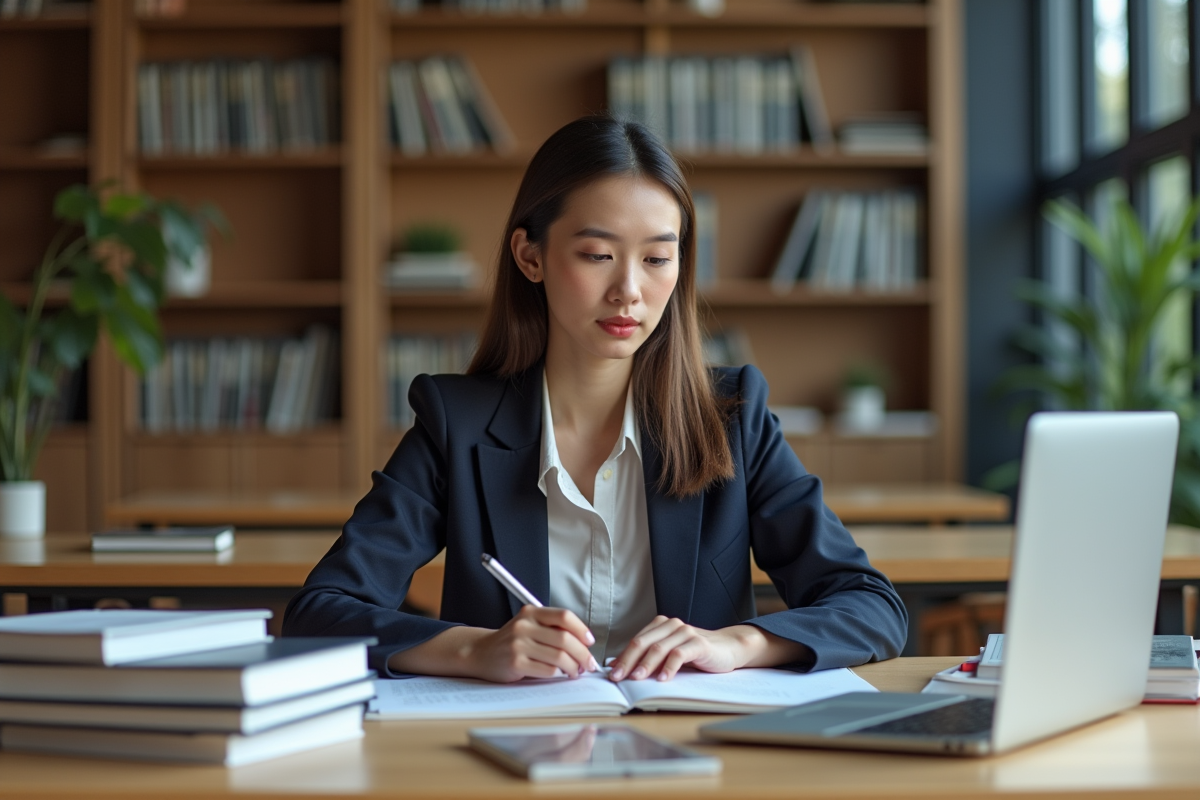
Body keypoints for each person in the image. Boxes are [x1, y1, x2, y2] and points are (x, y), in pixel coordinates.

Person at [283, 115, 907, 684]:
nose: (629, 291)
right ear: (531, 256)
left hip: (693, 754)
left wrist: (740, 644)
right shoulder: (458, 424)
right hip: (512, 753)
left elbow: (871, 606)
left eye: (659, 258)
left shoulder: (731, 416)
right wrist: (474, 650)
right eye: (597, 255)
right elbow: (320, 612)